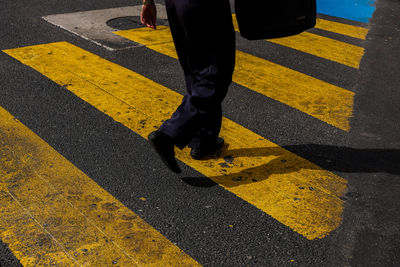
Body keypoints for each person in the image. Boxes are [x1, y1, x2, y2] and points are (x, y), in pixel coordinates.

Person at [141, 0, 236, 173]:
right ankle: (169, 133)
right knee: (216, 74)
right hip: (205, 6)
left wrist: (147, 1)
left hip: (176, 5)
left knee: (196, 71)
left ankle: (203, 140)